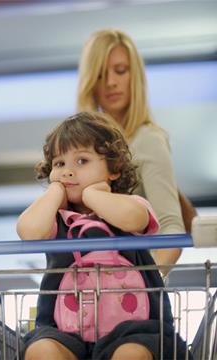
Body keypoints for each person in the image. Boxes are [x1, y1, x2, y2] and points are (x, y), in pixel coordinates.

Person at [17, 112, 188, 359]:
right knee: (40, 350)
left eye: (82, 161)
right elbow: (29, 232)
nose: (67, 172)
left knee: (132, 354)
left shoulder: (130, 205)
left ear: (114, 169)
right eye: (59, 164)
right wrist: (54, 191)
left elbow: (134, 218)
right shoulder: (55, 220)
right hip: (65, 335)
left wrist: (91, 195)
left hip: (132, 332)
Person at [76, 29, 187, 269]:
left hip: (133, 290)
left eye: (120, 70)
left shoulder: (147, 139)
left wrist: (146, 285)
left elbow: (171, 228)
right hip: (90, 288)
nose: (111, 82)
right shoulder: (81, 148)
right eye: (100, 74)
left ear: (134, 75)